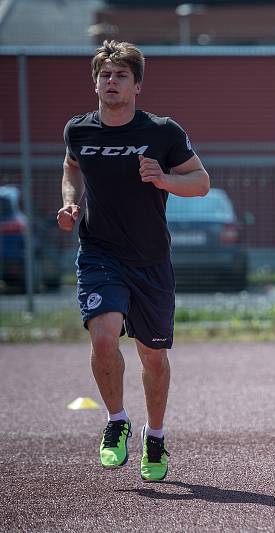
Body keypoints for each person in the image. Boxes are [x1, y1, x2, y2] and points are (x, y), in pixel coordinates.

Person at [58, 40, 210, 482]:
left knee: (153, 357)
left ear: (137, 85)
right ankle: (117, 420)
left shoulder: (162, 132)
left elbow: (200, 182)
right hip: (100, 253)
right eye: (105, 75)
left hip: (150, 260)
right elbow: (71, 166)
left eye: (121, 75)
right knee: (104, 336)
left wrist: (163, 179)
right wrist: (71, 202)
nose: (111, 82)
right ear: (95, 83)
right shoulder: (79, 131)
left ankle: (156, 435)